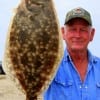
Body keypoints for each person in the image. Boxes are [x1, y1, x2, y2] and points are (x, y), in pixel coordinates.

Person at [43, 7, 100, 100]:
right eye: (72, 29)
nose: (77, 35)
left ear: (92, 34)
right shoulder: (48, 65)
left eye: (83, 30)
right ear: (63, 33)